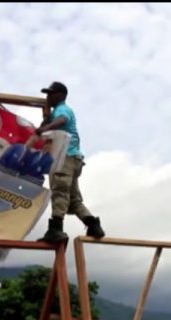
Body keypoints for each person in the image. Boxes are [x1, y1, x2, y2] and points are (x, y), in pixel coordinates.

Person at [34, 81, 105, 242]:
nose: (48, 97)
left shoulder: (62, 109)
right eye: (47, 94)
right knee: (73, 200)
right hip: (75, 159)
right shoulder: (55, 112)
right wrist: (45, 123)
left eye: (51, 94)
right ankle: (93, 224)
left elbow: (62, 120)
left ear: (61, 95)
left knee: (59, 191)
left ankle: (56, 230)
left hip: (65, 157)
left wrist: (45, 128)